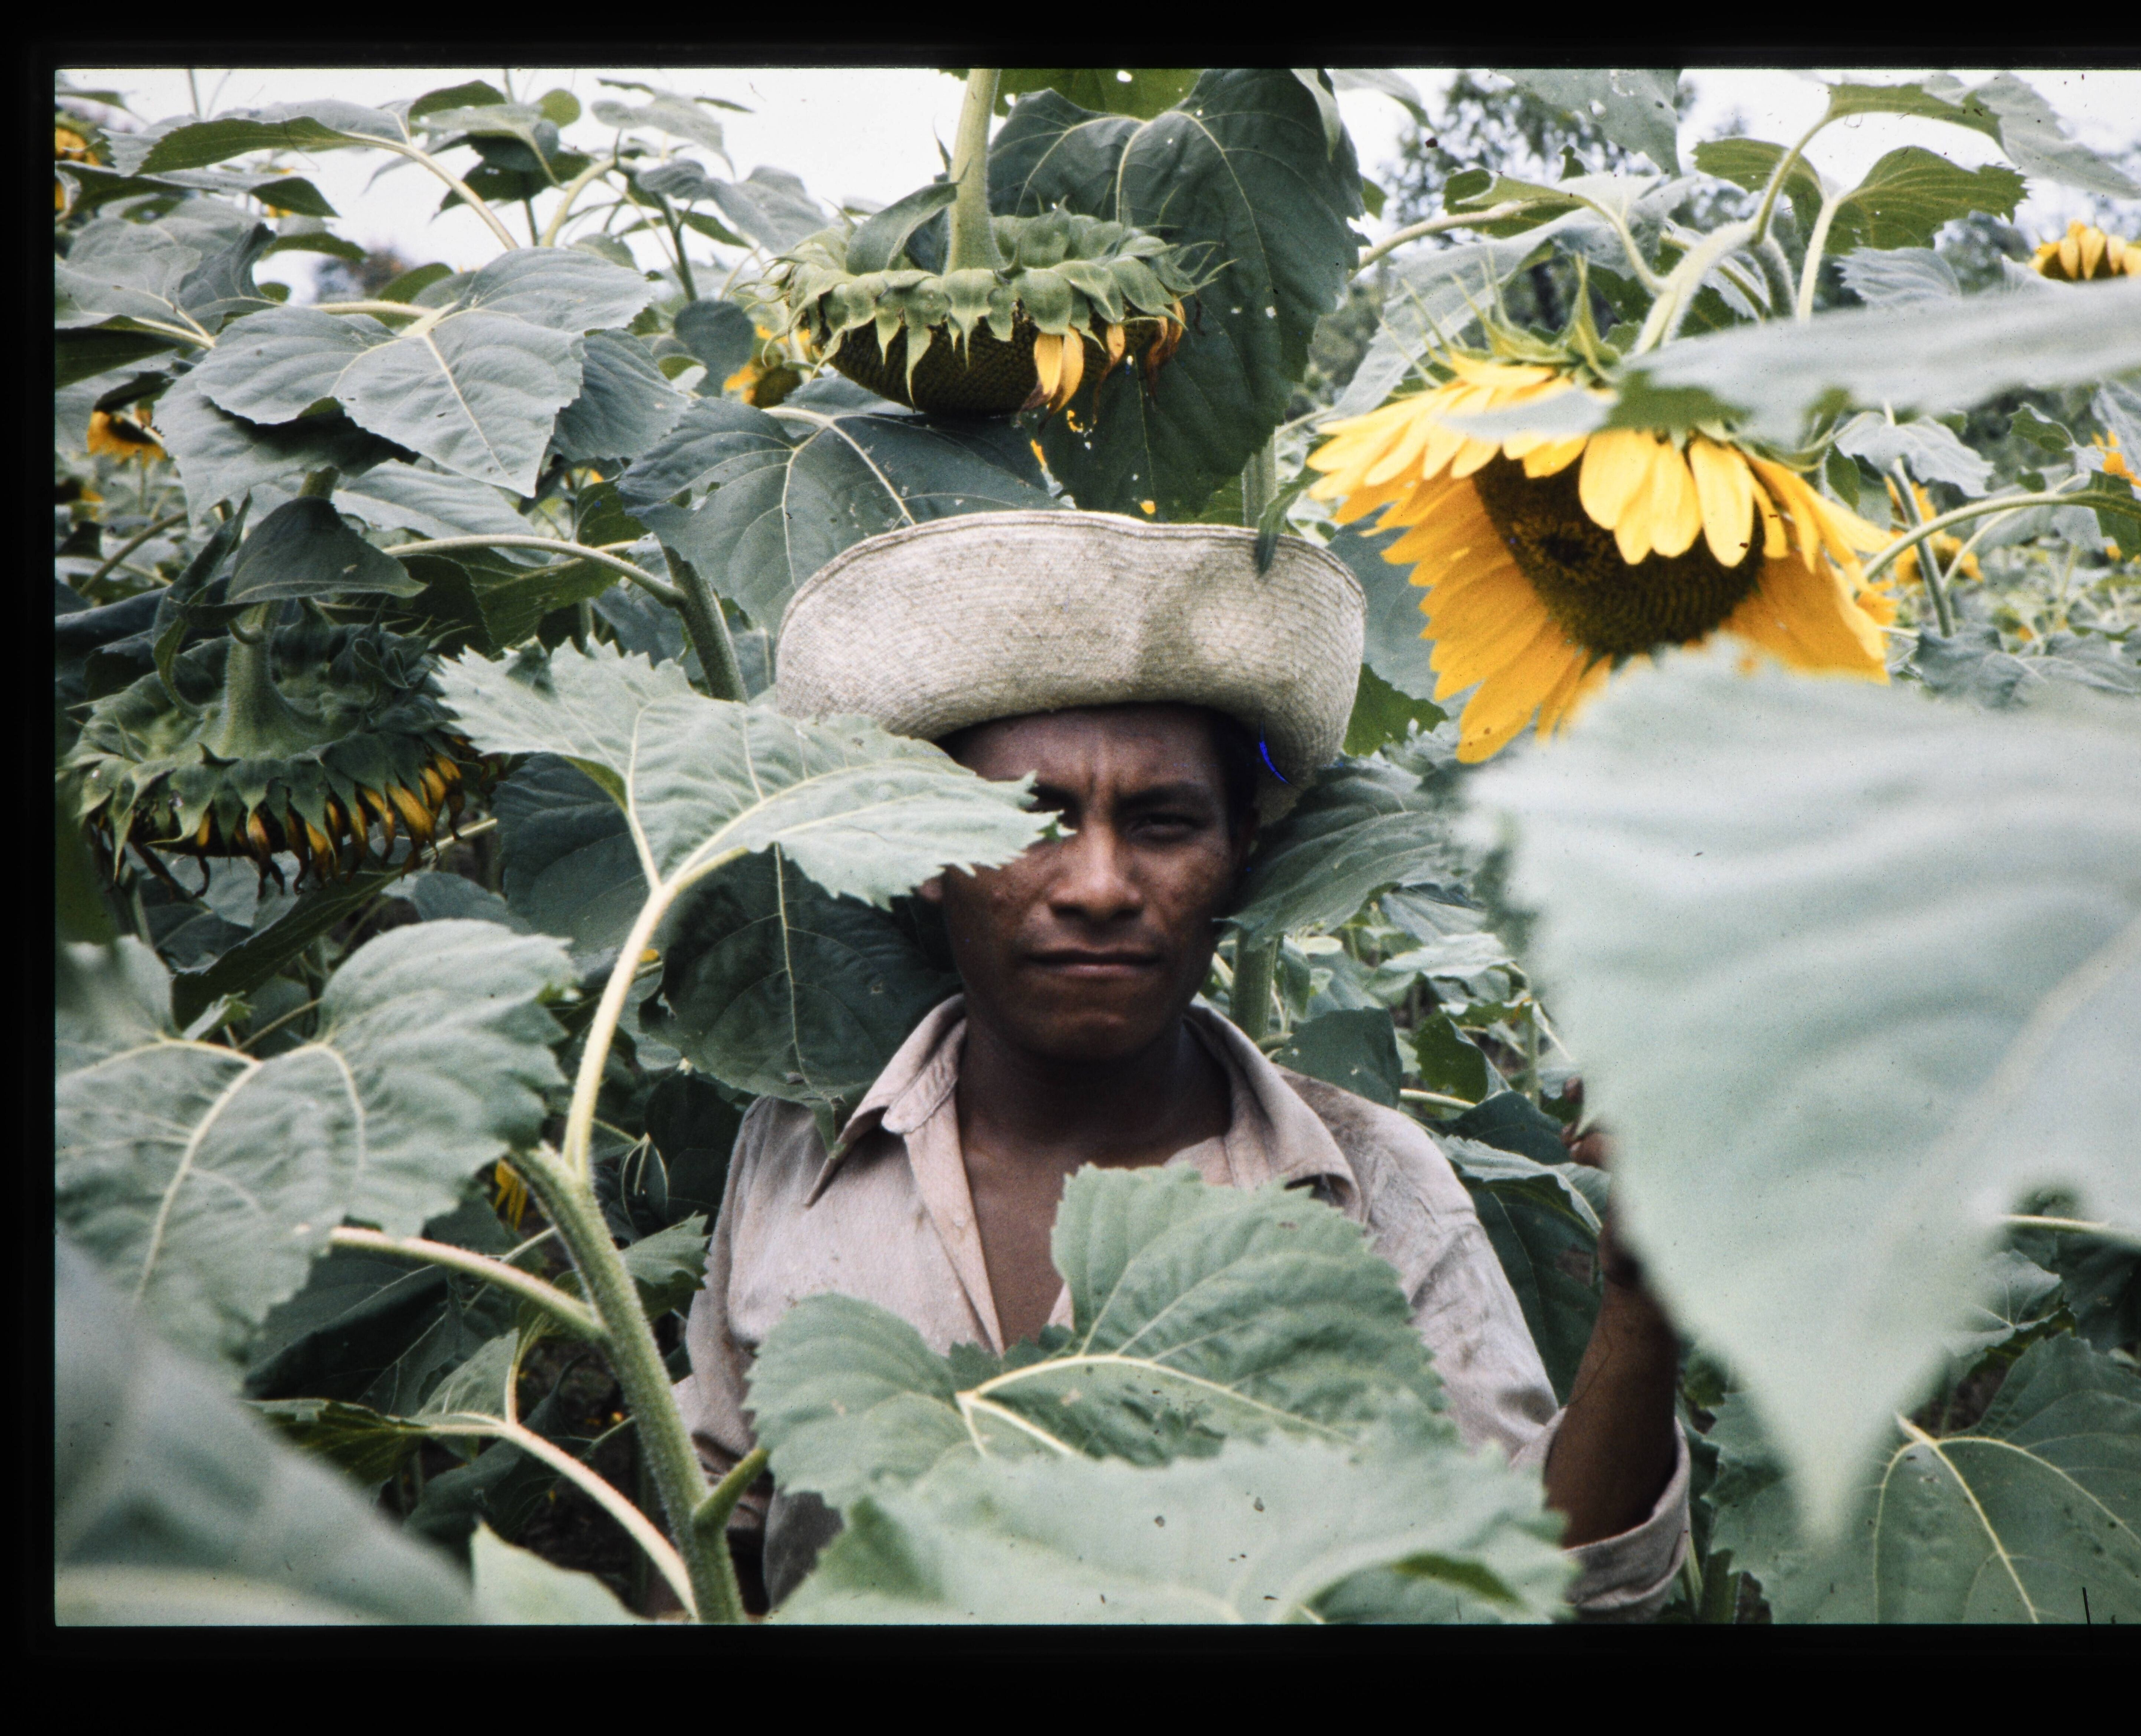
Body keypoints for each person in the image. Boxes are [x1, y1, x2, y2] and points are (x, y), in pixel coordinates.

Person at [671, 509, 1689, 1618]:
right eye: (1034, 819)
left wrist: (1643, 1304)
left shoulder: (1368, 1185)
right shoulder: (799, 1154)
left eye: (1163, 824)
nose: (1099, 886)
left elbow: (1527, 1580)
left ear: (1238, 851)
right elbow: (714, 1536)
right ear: (926, 847)